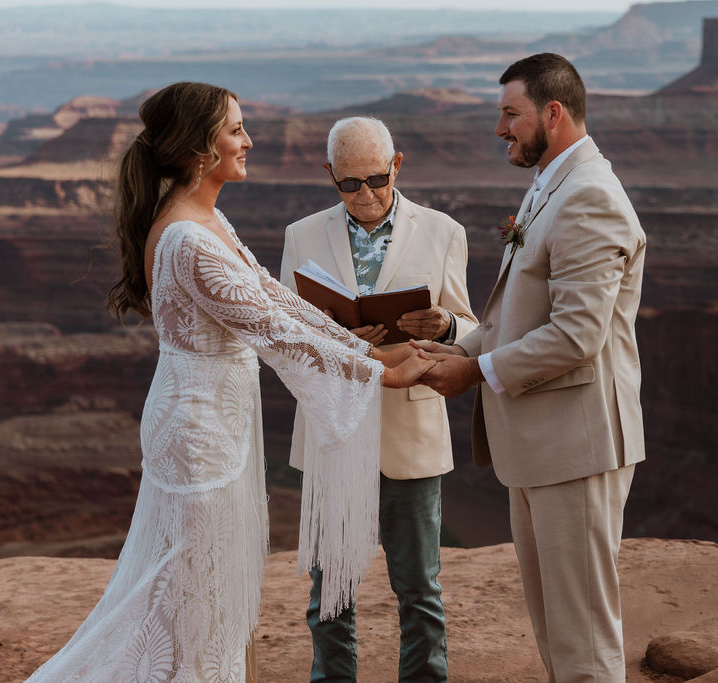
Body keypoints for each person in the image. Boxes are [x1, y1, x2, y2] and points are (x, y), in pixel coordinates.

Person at [25, 82, 434, 683]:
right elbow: (271, 329)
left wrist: (354, 344)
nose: (249, 140)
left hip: (213, 420)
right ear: (198, 147)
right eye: (235, 129)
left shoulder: (206, 217)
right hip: (199, 433)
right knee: (196, 586)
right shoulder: (190, 237)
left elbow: (272, 296)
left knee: (206, 582)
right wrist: (385, 376)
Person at [413, 53, 647, 682]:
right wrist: (459, 349)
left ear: (554, 112)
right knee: (555, 629)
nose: (500, 129)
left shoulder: (590, 196)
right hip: (544, 444)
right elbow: (523, 312)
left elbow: (576, 335)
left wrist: (476, 373)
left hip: (577, 443)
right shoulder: (552, 184)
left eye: (509, 114)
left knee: (584, 640)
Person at [279, 116, 478, 682]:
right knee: (331, 594)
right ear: (329, 176)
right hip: (333, 431)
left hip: (409, 433)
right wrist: (336, 340)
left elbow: (470, 326)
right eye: (349, 184)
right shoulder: (302, 235)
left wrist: (445, 327)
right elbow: (288, 337)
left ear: (397, 166)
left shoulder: (443, 232)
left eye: (376, 179)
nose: (365, 194)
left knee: (419, 588)